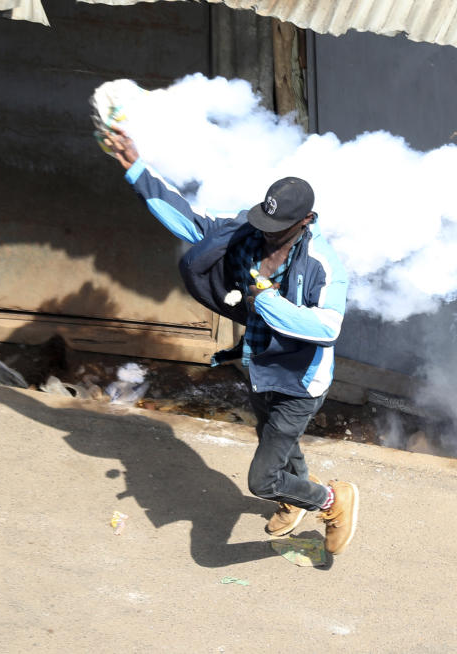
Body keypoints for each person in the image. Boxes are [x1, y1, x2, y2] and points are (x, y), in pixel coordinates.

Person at [103, 127, 359, 555]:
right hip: (259, 365)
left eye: (278, 228)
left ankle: (333, 500)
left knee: (262, 476)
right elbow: (189, 220)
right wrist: (135, 166)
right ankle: (294, 500)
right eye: (264, 221)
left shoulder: (323, 264)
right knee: (280, 443)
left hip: (300, 382)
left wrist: (266, 300)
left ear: (306, 222)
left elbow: (328, 327)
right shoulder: (246, 232)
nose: (266, 233)